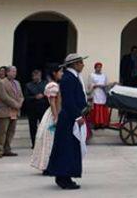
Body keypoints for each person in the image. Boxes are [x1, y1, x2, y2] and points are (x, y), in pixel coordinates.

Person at [47, 53, 89, 190]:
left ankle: (65, 175)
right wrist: (77, 116)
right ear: (75, 64)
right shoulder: (69, 78)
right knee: (66, 147)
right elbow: (69, 100)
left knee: (70, 147)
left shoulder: (73, 77)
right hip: (69, 118)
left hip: (71, 116)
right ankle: (63, 177)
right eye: (81, 62)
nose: (83, 65)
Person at [31, 65, 63, 173]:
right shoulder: (52, 85)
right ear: (54, 73)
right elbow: (53, 103)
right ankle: (48, 166)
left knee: (51, 141)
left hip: (53, 113)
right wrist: (56, 117)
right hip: (53, 114)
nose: (62, 74)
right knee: (50, 140)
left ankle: (51, 165)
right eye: (60, 72)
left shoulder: (54, 84)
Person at [0, 66, 23, 158]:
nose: (15, 73)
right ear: (7, 72)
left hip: (15, 110)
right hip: (5, 110)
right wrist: (15, 104)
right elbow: (4, 97)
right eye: (13, 71)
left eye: (16, 71)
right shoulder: (2, 82)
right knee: (3, 131)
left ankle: (7, 149)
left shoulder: (17, 83)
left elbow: (21, 95)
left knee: (11, 131)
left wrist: (20, 103)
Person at [25, 69, 49, 147]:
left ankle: (43, 143)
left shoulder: (45, 84)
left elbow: (49, 94)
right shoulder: (28, 85)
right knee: (33, 127)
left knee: (43, 126)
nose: (36, 77)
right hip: (32, 109)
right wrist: (35, 97)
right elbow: (26, 97)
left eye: (37, 75)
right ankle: (34, 144)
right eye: (34, 76)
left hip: (43, 108)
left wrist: (43, 95)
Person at [89, 63, 109, 129]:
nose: (99, 68)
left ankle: (102, 123)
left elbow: (106, 84)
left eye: (100, 67)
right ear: (95, 68)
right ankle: (96, 123)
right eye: (97, 67)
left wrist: (105, 88)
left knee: (102, 108)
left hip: (102, 93)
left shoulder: (104, 75)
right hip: (96, 93)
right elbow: (90, 85)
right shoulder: (92, 75)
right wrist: (96, 85)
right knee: (96, 108)